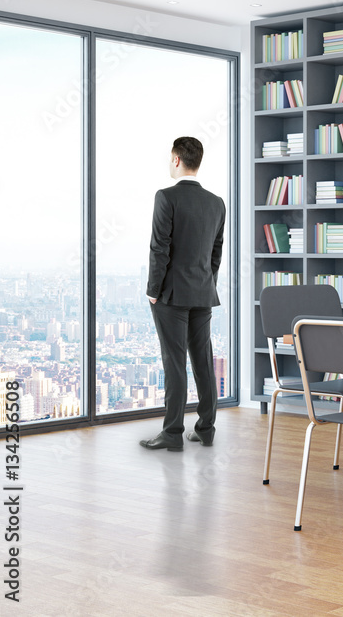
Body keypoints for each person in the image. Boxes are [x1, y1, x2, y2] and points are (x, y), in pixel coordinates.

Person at [140, 136, 226, 451]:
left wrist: (153, 289)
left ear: (176, 159)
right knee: (203, 361)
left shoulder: (166, 197)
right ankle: (206, 429)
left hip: (171, 295)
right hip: (204, 292)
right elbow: (216, 254)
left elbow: (159, 248)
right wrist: (207, 283)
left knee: (174, 362)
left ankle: (173, 433)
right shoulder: (217, 202)